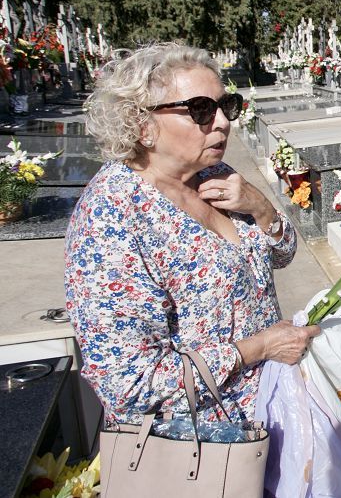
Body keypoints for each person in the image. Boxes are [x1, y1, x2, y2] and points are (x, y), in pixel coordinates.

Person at [65, 43, 321, 429]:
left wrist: (260, 206)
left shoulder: (212, 175)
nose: (221, 122)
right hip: (207, 447)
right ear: (142, 124)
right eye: (201, 110)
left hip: (272, 408)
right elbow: (128, 385)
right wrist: (259, 348)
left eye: (226, 106)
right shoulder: (113, 216)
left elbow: (282, 255)